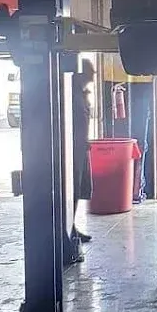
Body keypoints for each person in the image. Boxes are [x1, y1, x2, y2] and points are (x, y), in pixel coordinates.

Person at [71, 59, 95, 248]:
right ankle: (67, 228)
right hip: (70, 150)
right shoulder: (69, 94)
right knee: (71, 189)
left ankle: (71, 226)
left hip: (80, 148)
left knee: (78, 188)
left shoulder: (81, 93)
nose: (92, 80)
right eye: (90, 75)